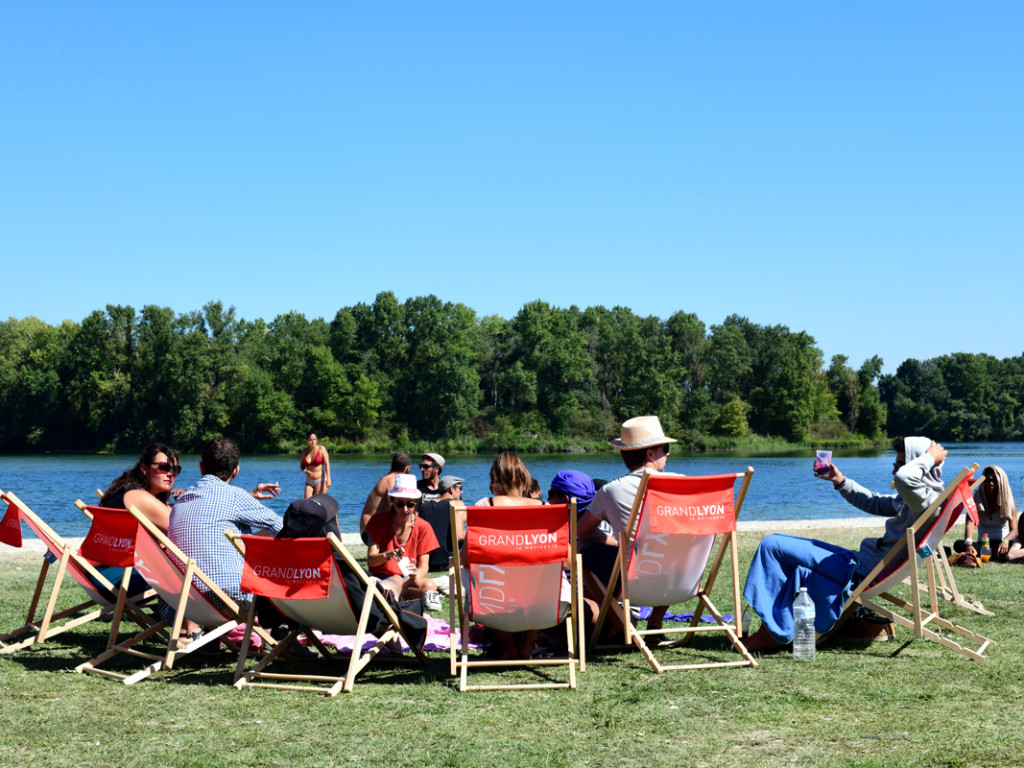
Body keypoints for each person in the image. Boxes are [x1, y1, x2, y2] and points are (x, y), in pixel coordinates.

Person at [743, 436, 947, 651]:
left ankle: (772, 633)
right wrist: (840, 480)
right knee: (780, 543)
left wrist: (929, 457)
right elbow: (875, 502)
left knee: (772, 546)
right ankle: (776, 626)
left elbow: (906, 478)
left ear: (920, 465)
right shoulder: (919, 499)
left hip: (858, 571)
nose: (894, 472)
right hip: (856, 562)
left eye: (898, 465)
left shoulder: (926, 502)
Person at [577, 416, 677, 636]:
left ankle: (621, 626)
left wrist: (612, 541)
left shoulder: (610, 491)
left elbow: (581, 532)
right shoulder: (683, 483)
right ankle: (655, 623)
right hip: (682, 577)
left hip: (636, 580)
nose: (668, 453)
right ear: (650, 454)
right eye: (665, 448)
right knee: (671, 550)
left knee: (584, 554)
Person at [169, 437, 283, 607]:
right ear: (235, 471)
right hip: (228, 600)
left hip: (182, 602)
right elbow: (282, 528)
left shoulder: (182, 499)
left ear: (201, 468)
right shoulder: (236, 496)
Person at [365, 473, 441, 611]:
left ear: (416, 503)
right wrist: (386, 555)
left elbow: (424, 566)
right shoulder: (378, 521)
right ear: (392, 501)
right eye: (400, 504)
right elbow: (371, 560)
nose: (405, 510)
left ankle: (391, 595)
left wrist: (416, 573)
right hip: (381, 577)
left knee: (429, 585)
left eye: (410, 504)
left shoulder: (423, 527)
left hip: (407, 580)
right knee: (393, 581)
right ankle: (392, 594)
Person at [99, 442, 181, 531]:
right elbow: (179, 530)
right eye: (163, 467)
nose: (171, 474)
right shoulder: (139, 497)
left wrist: (183, 500)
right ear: (144, 469)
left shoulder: (127, 490)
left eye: (175, 469)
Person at [954, 465, 1021, 562]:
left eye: (995, 481)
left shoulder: (1009, 502)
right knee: (959, 544)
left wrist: (1005, 541)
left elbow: (1014, 531)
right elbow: (970, 523)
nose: (991, 483)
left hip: (1003, 543)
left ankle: (995, 555)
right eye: (988, 480)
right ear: (983, 482)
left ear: (1001, 482)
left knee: (1016, 545)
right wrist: (969, 544)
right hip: (983, 544)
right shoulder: (976, 499)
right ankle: (994, 556)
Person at [359, 452, 412, 543]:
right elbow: (394, 509)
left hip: (367, 529)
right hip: (370, 533)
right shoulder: (391, 481)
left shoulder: (387, 479)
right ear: (407, 468)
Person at [417, 475, 466, 570]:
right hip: (450, 562)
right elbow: (459, 535)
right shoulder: (457, 504)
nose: (462, 492)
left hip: (429, 562)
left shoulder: (424, 507)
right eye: (460, 488)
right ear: (452, 489)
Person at [300, 432, 331, 498]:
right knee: (307, 504)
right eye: (311, 440)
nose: (313, 442)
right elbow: (302, 466)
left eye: (314, 439)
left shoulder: (321, 449)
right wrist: (306, 471)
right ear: (307, 440)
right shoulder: (304, 452)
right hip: (309, 482)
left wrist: (329, 479)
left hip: (321, 480)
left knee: (316, 502)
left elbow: (327, 464)